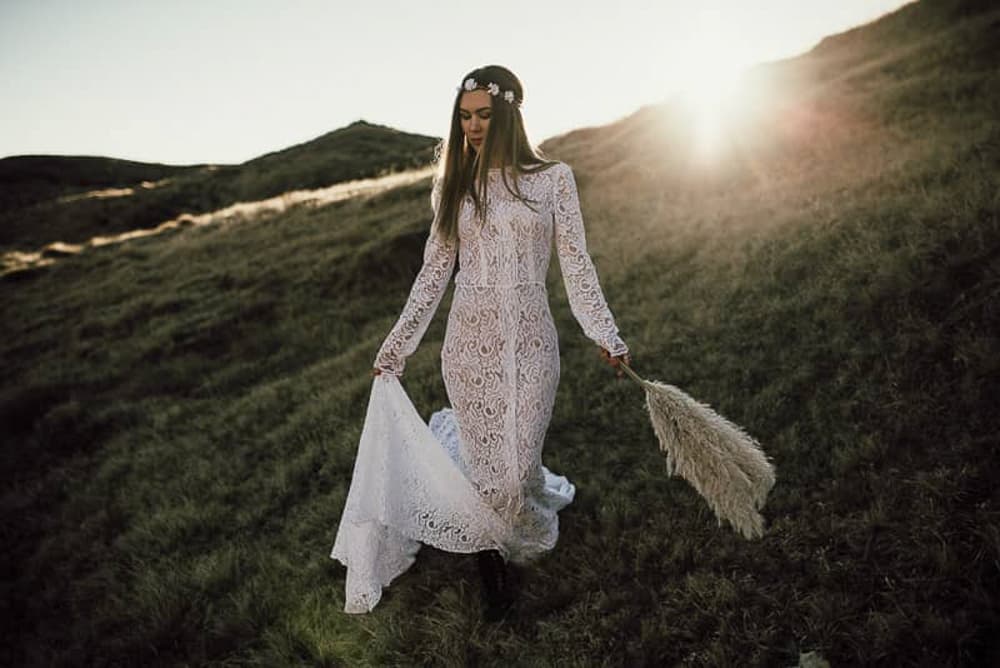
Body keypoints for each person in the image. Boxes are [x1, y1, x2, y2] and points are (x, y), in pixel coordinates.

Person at [332, 64, 630, 621]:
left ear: (509, 113)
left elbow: (577, 265)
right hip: (468, 347)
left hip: (534, 347)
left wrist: (604, 333)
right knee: (496, 479)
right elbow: (433, 272)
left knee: (516, 470)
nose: (471, 127)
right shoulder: (454, 186)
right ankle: (492, 576)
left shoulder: (553, 179)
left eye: (483, 115)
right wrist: (397, 345)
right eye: (464, 116)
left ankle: (504, 527)